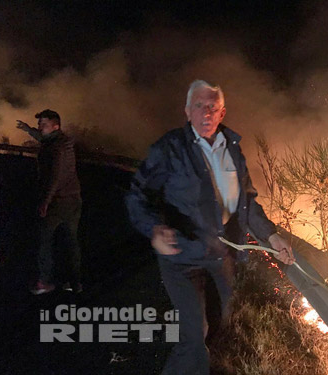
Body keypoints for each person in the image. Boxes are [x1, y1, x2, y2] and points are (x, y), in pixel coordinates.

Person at [125, 80, 295, 375]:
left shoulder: (233, 149)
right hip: (181, 257)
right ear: (187, 111)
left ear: (222, 113)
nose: (206, 113)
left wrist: (271, 236)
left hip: (221, 257)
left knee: (217, 327)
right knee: (194, 336)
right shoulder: (169, 148)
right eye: (199, 106)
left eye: (212, 108)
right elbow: (137, 196)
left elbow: (247, 203)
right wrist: (154, 229)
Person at [16, 109, 83, 294]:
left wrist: (45, 202)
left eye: (43, 125)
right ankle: (75, 283)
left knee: (44, 241)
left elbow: (55, 177)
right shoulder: (58, 141)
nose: (40, 127)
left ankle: (44, 282)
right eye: (39, 124)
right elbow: (43, 138)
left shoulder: (57, 148)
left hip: (58, 202)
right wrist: (28, 129)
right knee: (71, 241)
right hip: (73, 199)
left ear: (56, 126)